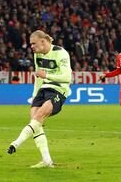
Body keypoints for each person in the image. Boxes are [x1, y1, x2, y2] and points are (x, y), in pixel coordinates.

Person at [7, 30, 72, 168]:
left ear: (43, 41)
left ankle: (16, 143)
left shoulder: (61, 53)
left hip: (59, 89)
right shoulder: (37, 55)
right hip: (43, 90)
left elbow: (67, 78)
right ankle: (47, 160)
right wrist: (35, 95)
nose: (31, 46)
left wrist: (47, 75)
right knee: (35, 123)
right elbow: (38, 77)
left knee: (40, 115)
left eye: (33, 43)